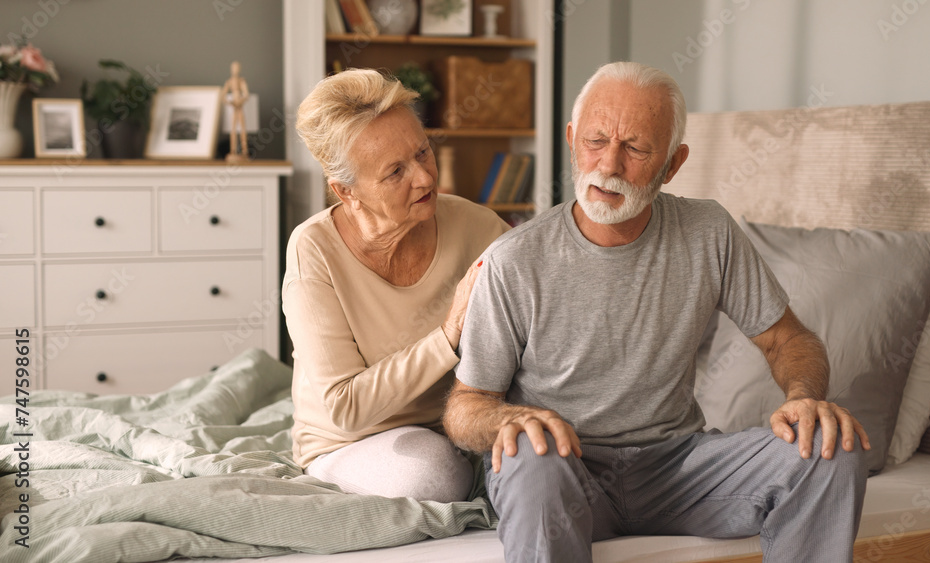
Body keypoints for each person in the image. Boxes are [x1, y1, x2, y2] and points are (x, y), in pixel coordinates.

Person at [444, 61, 871, 562]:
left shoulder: (709, 232)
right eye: (596, 141)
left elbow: (789, 341)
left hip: (678, 467)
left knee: (832, 447)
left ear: (672, 163)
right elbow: (467, 404)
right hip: (563, 469)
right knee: (529, 457)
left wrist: (803, 397)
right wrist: (512, 421)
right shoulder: (513, 260)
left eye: (636, 149)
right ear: (571, 139)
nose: (608, 166)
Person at [285, 68, 509, 503]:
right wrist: (448, 333)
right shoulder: (313, 250)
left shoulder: (475, 224)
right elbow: (347, 408)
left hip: (454, 425)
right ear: (346, 191)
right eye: (395, 172)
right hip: (350, 441)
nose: (425, 178)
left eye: (423, 152)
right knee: (433, 477)